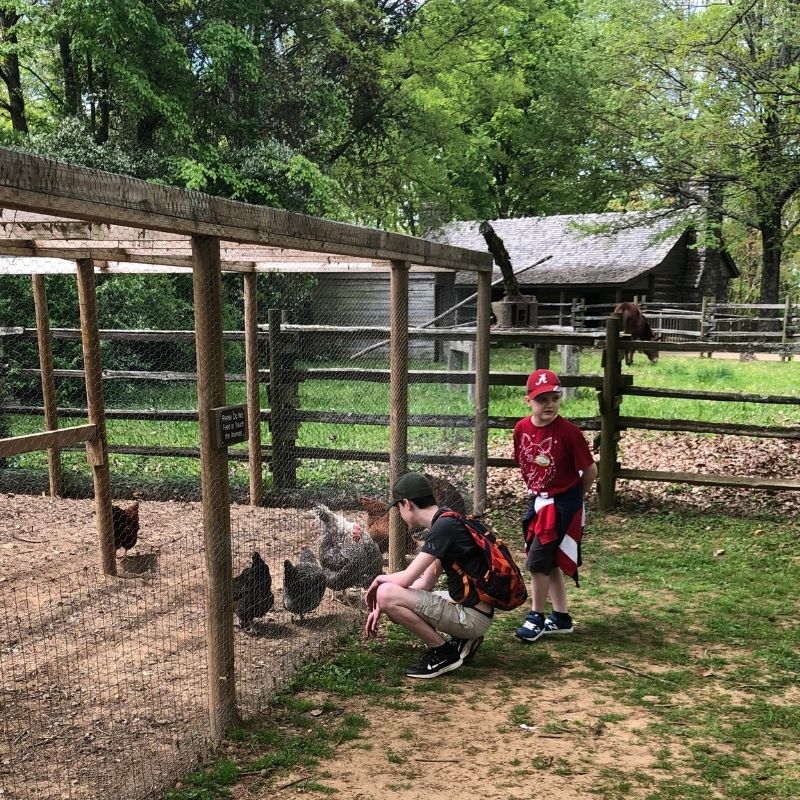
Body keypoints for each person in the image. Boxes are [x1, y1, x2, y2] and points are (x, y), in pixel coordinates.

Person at [364, 472, 495, 679]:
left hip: (472, 618)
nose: (399, 513)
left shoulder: (442, 528)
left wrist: (379, 581)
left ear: (406, 504)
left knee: (387, 592)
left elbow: (406, 579)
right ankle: (463, 639)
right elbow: (424, 583)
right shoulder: (446, 521)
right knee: (388, 595)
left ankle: (443, 653)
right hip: (475, 611)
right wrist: (383, 604)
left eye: (398, 508)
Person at [512, 368, 598, 643]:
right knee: (546, 560)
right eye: (541, 399)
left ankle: (535, 616)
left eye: (554, 398)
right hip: (539, 498)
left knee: (537, 561)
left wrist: (575, 499)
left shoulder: (569, 433)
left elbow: (590, 469)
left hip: (563, 502)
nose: (549, 405)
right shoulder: (521, 428)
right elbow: (524, 460)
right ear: (529, 401)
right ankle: (560, 618)